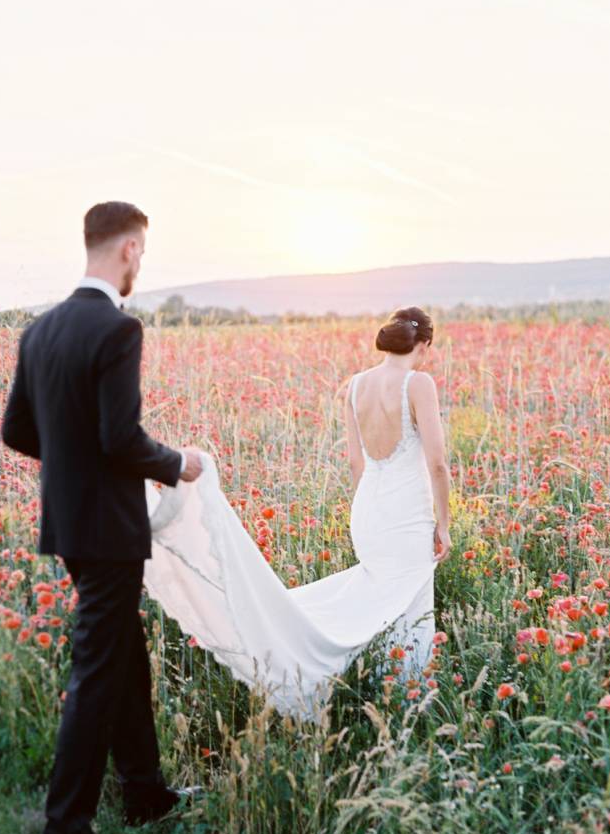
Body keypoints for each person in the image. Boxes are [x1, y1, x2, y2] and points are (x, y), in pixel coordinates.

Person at [1, 200, 203, 834]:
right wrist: (180, 465)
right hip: (110, 528)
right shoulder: (119, 331)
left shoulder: (42, 330)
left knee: (125, 654)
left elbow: (16, 432)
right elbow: (121, 438)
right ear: (128, 249)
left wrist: (74, 467)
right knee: (96, 669)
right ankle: (65, 833)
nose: (140, 262)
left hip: (68, 523)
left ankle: (144, 791)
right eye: (142, 250)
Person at [141, 306, 451, 718]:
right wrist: (443, 524)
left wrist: (372, 511)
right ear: (424, 344)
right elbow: (438, 464)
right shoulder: (419, 383)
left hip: (370, 511)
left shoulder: (356, 386)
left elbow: (357, 465)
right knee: (410, 606)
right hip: (406, 514)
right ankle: (411, 704)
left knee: (384, 599)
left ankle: (383, 688)